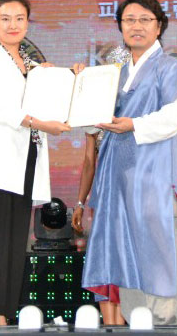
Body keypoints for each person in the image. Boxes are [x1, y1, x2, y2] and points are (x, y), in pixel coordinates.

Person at [81, 0, 177, 325]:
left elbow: (174, 118)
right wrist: (81, 87)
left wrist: (133, 125)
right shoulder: (114, 74)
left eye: (145, 20)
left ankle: (170, 326)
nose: (136, 26)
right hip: (120, 187)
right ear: (120, 27)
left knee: (163, 273)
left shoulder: (169, 67)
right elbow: (91, 122)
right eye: (129, 20)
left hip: (158, 185)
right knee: (130, 275)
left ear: (159, 27)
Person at [0, 0, 81, 326]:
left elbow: (52, 99)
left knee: (15, 247)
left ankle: (4, 316)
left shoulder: (31, 65)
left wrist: (73, 80)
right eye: (5, 18)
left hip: (26, 163)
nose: (12, 25)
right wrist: (42, 123)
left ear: (28, 23)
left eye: (19, 18)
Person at [72, 46, 130, 326]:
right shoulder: (96, 109)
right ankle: (110, 324)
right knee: (107, 256)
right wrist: (80, 203)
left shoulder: (137, 111)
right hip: (105, 195)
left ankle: (127, 321)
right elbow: (89, 162)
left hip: (132, 195)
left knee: (129, 257)